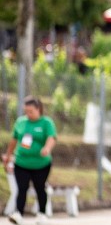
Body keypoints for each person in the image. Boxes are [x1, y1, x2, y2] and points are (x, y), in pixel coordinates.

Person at [3, 96, 57, 225]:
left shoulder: (46, 122)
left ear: (39, 109)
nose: (28, 114)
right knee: (21, 188)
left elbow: (52, 137)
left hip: (41, 164)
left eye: (31, 111)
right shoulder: (21, 122)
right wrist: (8, 156)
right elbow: (14, 140)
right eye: (26, 111)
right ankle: (18, 214)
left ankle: (42, 214)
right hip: (22, 162)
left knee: (40, 188)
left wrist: (47, 148)